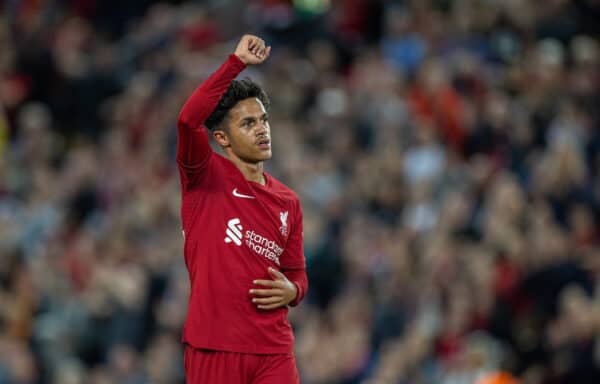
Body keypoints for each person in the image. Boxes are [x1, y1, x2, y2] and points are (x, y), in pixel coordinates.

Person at [176, 34, 308, 383]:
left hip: (273, 349)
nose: (262, 129)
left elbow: (297, 274)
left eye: (263, 119)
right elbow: (189, 121)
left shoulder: (288, 201)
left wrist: (293, 291)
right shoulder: (204, 176)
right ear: (222, 139)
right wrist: (235, 64)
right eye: (248, 124)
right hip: (215, 345)